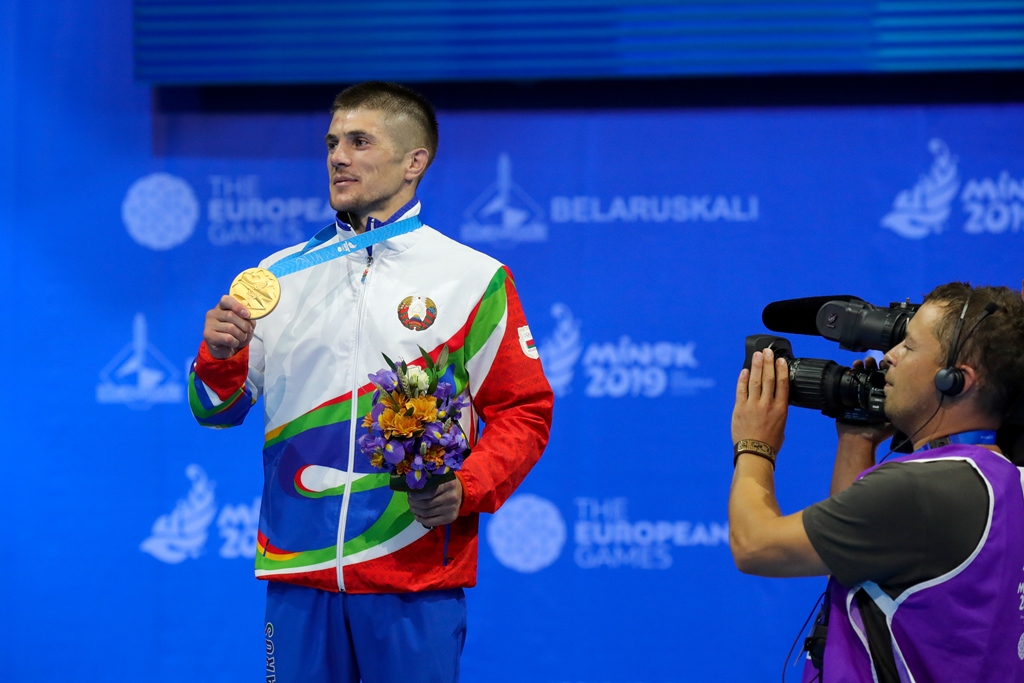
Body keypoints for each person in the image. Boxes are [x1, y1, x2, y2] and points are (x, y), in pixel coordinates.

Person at [189, 81, 554, 683]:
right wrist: (220, 354)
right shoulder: (278, 276)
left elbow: (525, 411)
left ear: (415, 161)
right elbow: (216, 409)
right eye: (332, 143)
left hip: (413, 573)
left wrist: (466, 487)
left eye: (360, 142)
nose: (338, 156)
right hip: (300, 572)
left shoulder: (472, 279)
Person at [728, 282, 1024, 683]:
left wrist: (754, 443)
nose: (888, 356)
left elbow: (754, 546)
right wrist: (858, 439)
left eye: (909, 347)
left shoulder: (922, 489)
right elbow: (854, 554)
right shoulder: (1004, 479)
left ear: (955, 379)